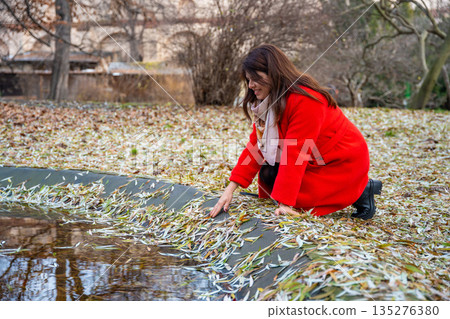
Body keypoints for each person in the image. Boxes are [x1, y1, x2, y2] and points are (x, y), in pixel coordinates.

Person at [209, 44, 382, 220]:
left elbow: (296, 152)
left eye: (255, 78)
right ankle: (344, 191)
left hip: (341, 163)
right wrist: (230, 189)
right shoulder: (269, 102)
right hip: (316, 158)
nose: (251, 85)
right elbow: (256, 147)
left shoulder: (305, 100)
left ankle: (362, 189)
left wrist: (285, 204)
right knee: (269, 173)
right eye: (248, 80)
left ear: (273, 73)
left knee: (291, 192)